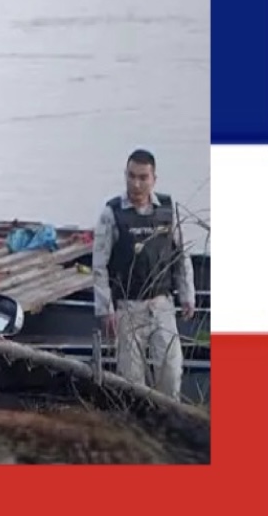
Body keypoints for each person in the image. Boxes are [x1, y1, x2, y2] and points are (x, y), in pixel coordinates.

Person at [91, 148, 196, 400]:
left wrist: (187, 293)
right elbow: (99, 265)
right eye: (131, 176)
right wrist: (105, 310)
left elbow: (181, 256)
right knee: (131, 380)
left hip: (161, 305)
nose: (136, 184)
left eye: (142, 177)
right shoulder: (112, 213)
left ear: (153, 179)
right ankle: (135, 425)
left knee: (170, 372)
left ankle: (168, 423)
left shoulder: (168, 210)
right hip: (128, 308)